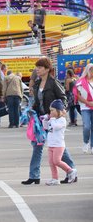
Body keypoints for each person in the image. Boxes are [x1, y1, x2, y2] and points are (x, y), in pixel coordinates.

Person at [22, 57, 77, 185]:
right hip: (40, 120)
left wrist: (59, 113)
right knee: (37, 146)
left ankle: (72, 171)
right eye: (37, 67)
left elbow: (63, 98)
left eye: (40, 67)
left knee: (58, 147)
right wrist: (31, 111)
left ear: (47, 69)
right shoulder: (37, 84)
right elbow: (37, 101)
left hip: (52, 119)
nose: (37, 69)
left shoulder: (53, 83)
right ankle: (34, 175)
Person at [42, 99, 76, 186]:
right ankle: (55, 179)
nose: (51, 112)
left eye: (52, 110)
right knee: (51, 162)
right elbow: (46, 128)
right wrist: (45, 120)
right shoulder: (52, 120)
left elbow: (56, 127)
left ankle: (70, 171)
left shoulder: (62, 120)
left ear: (58, 111)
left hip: (58, 145)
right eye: (50, 110)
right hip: (51, 144)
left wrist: (51, 119)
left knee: (57, 161)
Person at [74, 64, 93, 153]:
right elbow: (77, 95)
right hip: (85, 107)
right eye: (91, 70)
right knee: (86, 127)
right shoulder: (81, 82)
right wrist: (87, 102)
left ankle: (92, 146)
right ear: (87, 71)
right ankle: (86, 142)